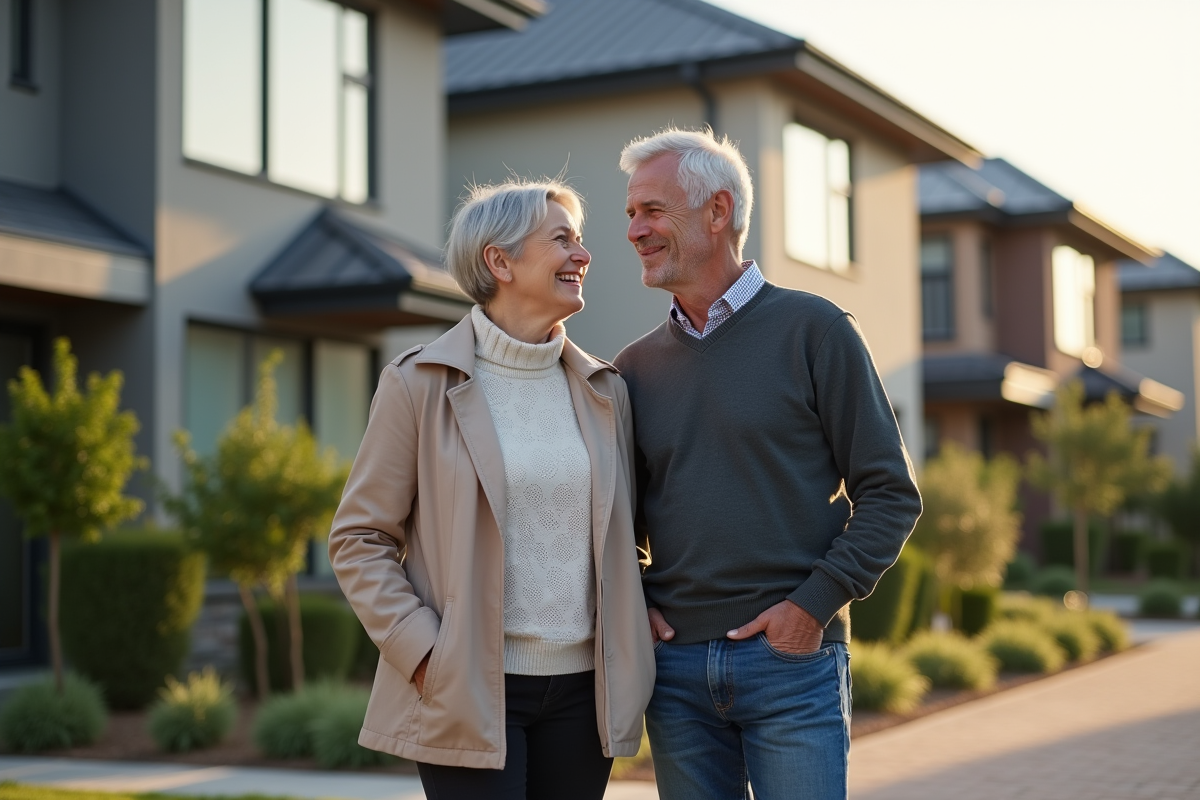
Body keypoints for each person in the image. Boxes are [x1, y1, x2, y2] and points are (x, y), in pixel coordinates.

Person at [613, 128, 922, 799]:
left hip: (792, 663)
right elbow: (613, 522)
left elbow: (891, 493)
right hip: (677, 676)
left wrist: (810, 608)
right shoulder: (632, 369)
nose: (634, 230)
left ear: (718, 212)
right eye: (631, 213)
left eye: (652, 211)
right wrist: (633, 600)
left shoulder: (817, 331)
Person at [328, 179, 654, 800]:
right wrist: (424, 655)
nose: (583, 255)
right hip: (468, 686)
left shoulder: (604, 391)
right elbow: (359, 539)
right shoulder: (417, 384)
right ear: (499, 261)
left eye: (580, 240)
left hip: (585, 697)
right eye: (561, 239)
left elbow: (624, 537)